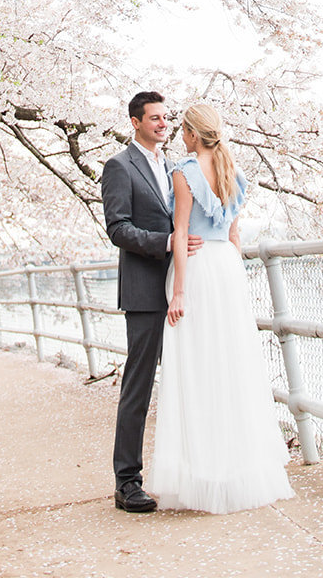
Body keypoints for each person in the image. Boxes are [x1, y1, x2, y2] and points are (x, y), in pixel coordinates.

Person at [148, 101, 294, 514]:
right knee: (232, 365)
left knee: (197, 367)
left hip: (197, 269)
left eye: (183, 130)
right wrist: (234, 280)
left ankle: (201, 471)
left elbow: (180, 233)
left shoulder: (184, 172)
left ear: (193, 134)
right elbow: (234, 236)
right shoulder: (235, 173)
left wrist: (178, 292)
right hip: (227, 271)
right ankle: (239, 468)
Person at [100, 90, 201, 513]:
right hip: (145, 289)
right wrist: (167, 242)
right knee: (138, 386)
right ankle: (127, 483)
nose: (163, 124)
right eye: (154, 118)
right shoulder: (119, 166)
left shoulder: (176, 165)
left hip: (182, 284)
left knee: (188, 377)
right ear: (136, 122)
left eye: (166, 117)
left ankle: (193, 470)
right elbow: (118, 228)